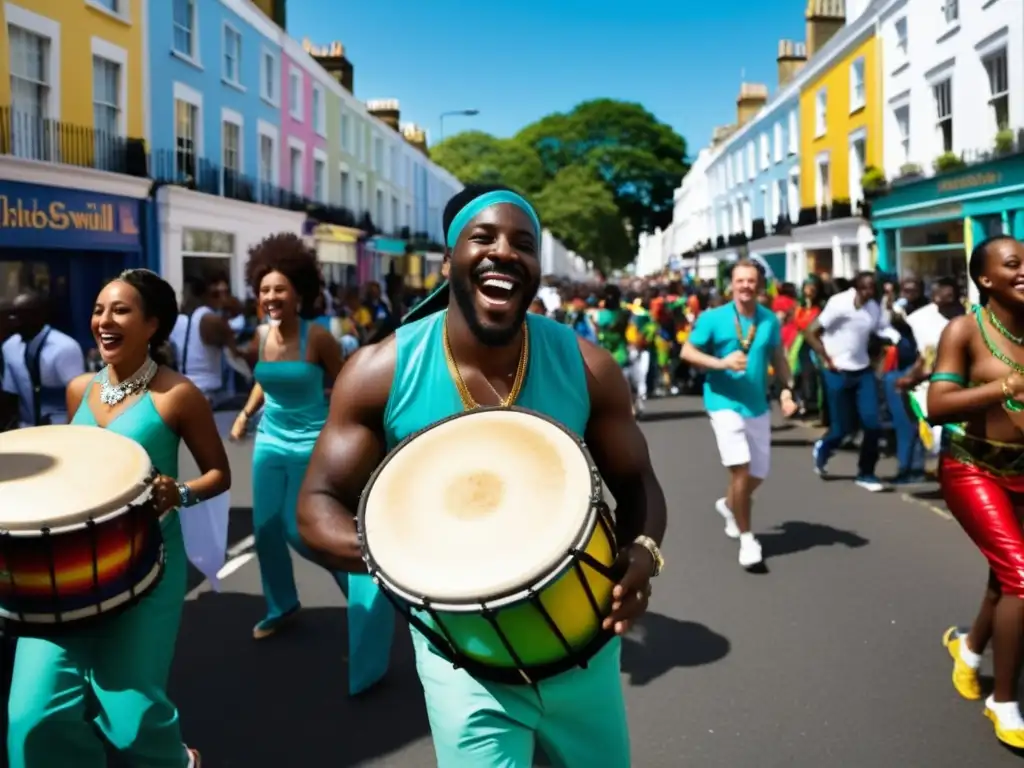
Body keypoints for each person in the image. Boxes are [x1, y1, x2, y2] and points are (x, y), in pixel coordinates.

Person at [295, 184, 667, 767]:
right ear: (448, 261)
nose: (503, 252)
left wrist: (642, 554)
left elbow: (637, 480)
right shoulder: (380, 371)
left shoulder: (587, 366)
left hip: (585, 645)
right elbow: (317, 505)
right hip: (461, 659)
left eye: (523, 243)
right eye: (483, 237)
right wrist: (400, 557)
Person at [7, 269, 231, 768]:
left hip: (149, 565)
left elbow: (219, 473)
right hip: (66, 570)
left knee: (130, 722)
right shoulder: (78, 390)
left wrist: (180, 494)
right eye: (99, 310)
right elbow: (71, 468)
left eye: (121, 310)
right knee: (31, 716)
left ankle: (177, 760)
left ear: (153, 324)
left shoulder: (177, 395)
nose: (104, 321)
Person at [928, 236, 1024, 750]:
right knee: (1023, 577)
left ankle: (967, 654)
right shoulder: (965, 330)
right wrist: (1003, 388)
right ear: (985, 279)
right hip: (973, 470)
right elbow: (938, 405)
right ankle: (1004, 701)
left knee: (1004, 576)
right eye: (1014, 264)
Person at [229, 234, 344, 640]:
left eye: (279, 288)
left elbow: (347, 382)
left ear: (299, 293)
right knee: (265, 528)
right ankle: (282, 604)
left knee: (300, 530)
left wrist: (347, 429)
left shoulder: (319, 338)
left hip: (311, 440)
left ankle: (357, 586)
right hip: (270, 438)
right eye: (264, 290)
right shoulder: (261, 336)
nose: (271, 296)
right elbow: (266, 380)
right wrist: (246, 413)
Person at [681, 259, 797, 569]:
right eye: (740, 280)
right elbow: (687, 352)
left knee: (758, 474)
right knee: (741, 470)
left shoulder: (769, 320)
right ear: (731, 284)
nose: (746, 286)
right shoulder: (713, 318)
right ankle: (747, 539)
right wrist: (720, 364)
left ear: (760, 285)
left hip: (757, 404)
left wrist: (787, 390)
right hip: (722, 402)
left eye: (751, 281)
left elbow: (778, 358)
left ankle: (730, 504)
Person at [802, 271, 899, 492]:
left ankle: (866, 473)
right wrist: (826, 358)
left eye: (872, 287)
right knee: (843, 428)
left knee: (872, 423)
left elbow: (881, 328)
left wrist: (894, 336)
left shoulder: (874, 308)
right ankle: (824, 449)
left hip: (862, 370)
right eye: (864, 287)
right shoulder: (839, 303)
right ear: (855, 287)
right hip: (836, 371)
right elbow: (810, 331)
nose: (869, 292)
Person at [1, 290, 85, 427]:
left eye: (22, 316)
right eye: (13, 315)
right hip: (26, 429)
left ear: (39, 316)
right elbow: (11, 393)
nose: (15, 322)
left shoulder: (65, 347)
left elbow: (80, 397)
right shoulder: (9, 347)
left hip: (61, 428)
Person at [168, 273, 238, 404]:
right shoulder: (211, 320)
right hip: (209, 394)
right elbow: (236, 354)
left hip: (181, 389)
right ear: (206, 294)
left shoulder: (176, 321)